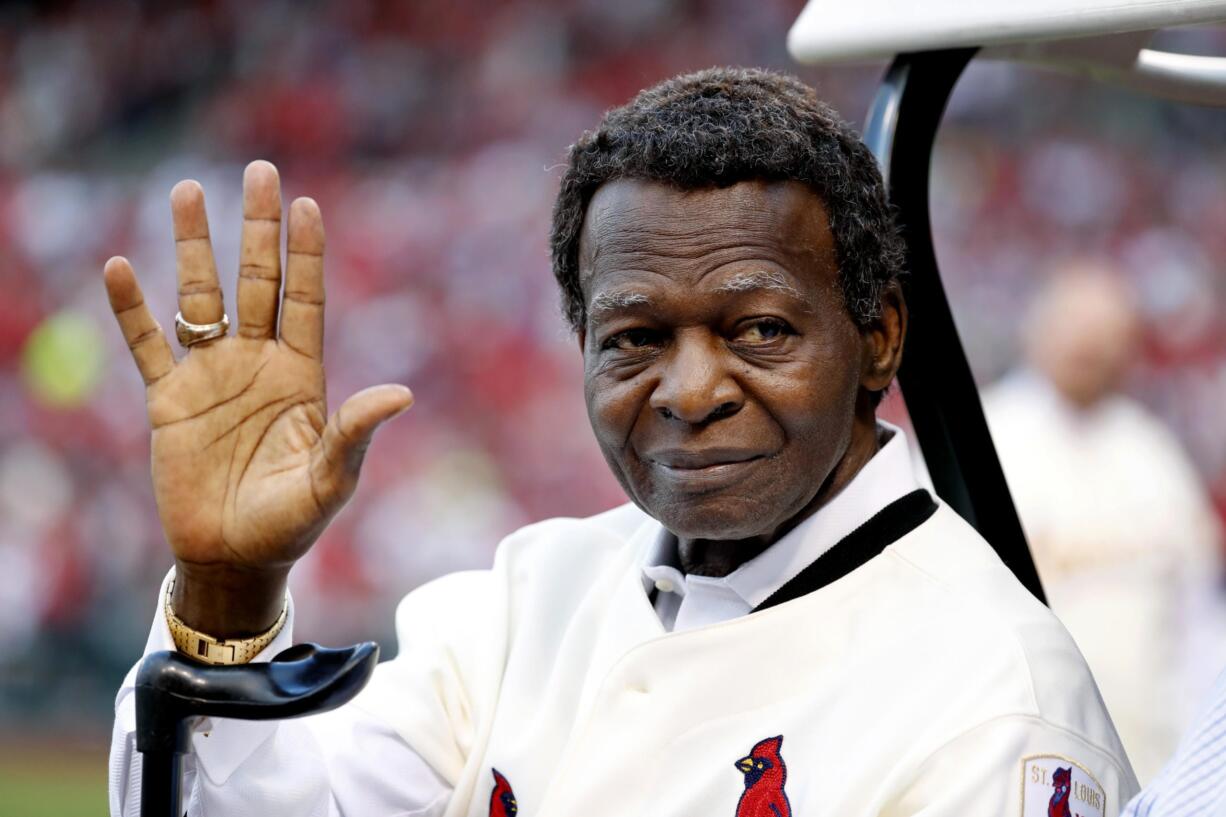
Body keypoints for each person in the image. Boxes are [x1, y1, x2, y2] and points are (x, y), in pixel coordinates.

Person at [107, 68, 1137, 816]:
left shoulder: (995, 701)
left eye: (758, 331)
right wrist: (227, 588)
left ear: (876, 338)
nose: (690, 390)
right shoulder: (529, 595)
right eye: (636, 338)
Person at [984, 264, 1225, 783]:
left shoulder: (1152, 452)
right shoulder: (987, 436)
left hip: (1152, 749)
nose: (1091, 349)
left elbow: (1199, 615)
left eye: (1108, 335)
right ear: (1040, 328)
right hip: (1021, 750)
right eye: (1077, 329)